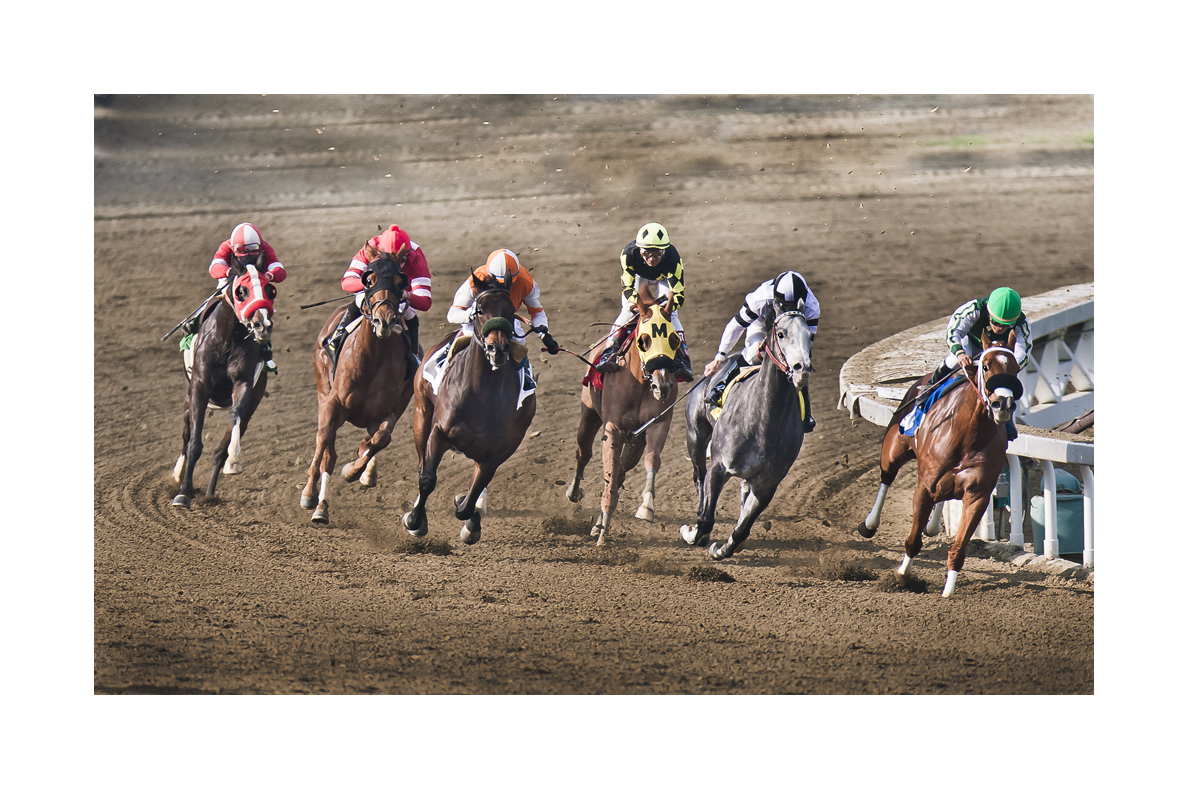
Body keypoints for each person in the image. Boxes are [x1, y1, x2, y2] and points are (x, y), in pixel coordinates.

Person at [702, 270, 821, 432]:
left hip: (793, 330)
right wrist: (720, 356)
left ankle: (805, 412)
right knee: (754, 354)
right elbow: (736, 324)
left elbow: (807, 340)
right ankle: (720, 387)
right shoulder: (760, 298)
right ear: (775, 299)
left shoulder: (811, 306)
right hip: (762, 321)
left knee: (801, 360)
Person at [322, 224, 431, 379]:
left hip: (400, 291)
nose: (396, 264)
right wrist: (372, 285)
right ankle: (338, 336)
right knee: (360, 299)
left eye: (402, 259)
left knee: (409, 313)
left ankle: (413, 357)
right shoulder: (371, 247)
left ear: (407, 254)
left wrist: (406, 295)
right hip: (375, 290)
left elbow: (425, 302)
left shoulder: (416, 258)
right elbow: (347, 282)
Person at [594, 222, 693, 382]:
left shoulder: (673, 257)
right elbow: (627, 289)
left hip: (664, 279)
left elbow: (679, 295)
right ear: (639, 250)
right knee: (628, 310)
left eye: (657, 254)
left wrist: (665, 309)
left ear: (664, 251)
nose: (651, 259)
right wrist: (640, 305)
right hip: (639, 277)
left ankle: (684, 360)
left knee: (672, 315)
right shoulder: (628, 254)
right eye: (646, 253)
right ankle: (609, 352)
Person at [184, 222, 287, 372]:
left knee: (263, 315)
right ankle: (194, 324)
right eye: (241, 250)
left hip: (253, 288)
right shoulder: (226, 246)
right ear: (233, 247)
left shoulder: (265, 247)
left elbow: (280, 270)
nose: (247, 253)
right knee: (210, 303)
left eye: (252, 249)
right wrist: (228, 272)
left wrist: (268, 276)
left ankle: (266, 351)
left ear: (259, 245)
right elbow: (214, 268)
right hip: (230, 285)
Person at [917, 286, 1033, 405]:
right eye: (996, 322)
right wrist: (960, 353)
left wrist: (1008, 367)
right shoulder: (974, 309)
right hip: (971, 343)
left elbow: (1023, 354)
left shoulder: (1022, 324)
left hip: (999, 353)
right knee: (954, 360)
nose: (1000, 328)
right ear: (989, 314)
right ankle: (931, 386)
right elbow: (954, 332)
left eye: (1007, 325)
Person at [446, 248, 559, 356]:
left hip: (507, 319)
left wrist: (543, 333)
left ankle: (525, 370)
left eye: (508, 283)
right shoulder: (476, 279)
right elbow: (452, 314)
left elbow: (537, 312)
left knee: (520, 343)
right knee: (470, 336)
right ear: (489, 274)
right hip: (477, 321)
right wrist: (471, 314)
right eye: (498, 282)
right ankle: (442, 361)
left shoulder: (525, 282)